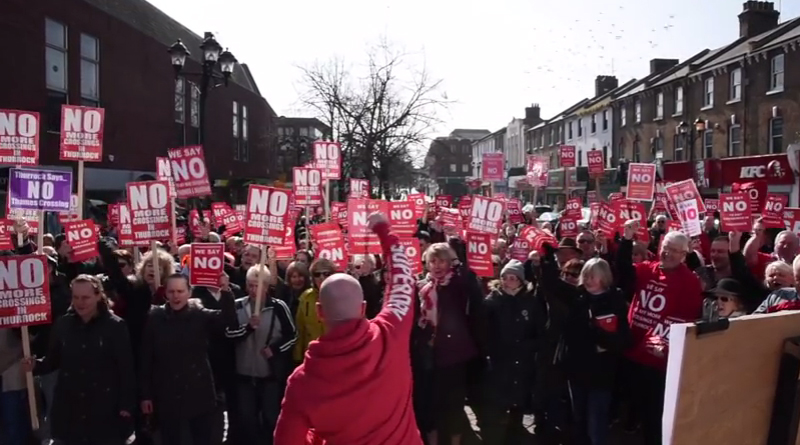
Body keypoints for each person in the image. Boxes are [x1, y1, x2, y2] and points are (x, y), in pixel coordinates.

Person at [274, 212, 423, 444]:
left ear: (320, 312)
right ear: (363, 308)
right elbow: (403, 277)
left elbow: (286, 441)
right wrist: (384, 230)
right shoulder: (391, 333)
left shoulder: (302, 382)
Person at [21, 274, 136, 445]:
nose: (80, 302)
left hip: (104, 408)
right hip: (71, 407)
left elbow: (126, 368)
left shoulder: (115, 326)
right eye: (76, 297)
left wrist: (126, 404)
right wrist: (36, 365)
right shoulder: (63, 324)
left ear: (98, 296)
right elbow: (53, 360)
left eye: (85, 297)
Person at [139, 273, 238, 445]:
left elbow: (228, 321)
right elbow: (146, 357)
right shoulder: (155, 317)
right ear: (166, 294)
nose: (176, 296)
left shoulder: (200, 315)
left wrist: (226, 292)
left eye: (180, 291)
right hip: (166, 393)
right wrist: (145, 394)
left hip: (198, 393)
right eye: (171, 292)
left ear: (189, 292)